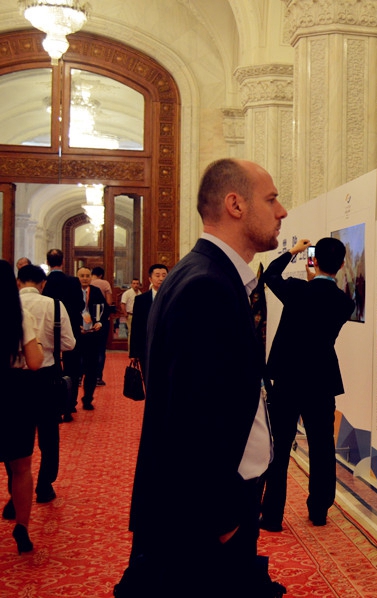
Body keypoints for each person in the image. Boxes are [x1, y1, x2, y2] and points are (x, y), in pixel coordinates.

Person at [117, 159, 287, 597]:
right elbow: (192, 414)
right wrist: (222, 516)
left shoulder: (206, 273)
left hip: (208, 504)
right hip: (205, 516)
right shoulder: (207, 285)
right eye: (271, 199)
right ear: (235, 204)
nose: (282, 211)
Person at [261, 236, 354, 530]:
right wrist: (317, 273)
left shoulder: (297, 290)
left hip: (288, 379)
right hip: (321, 381)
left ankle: (273, 515)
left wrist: (295, 251)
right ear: (341, 265)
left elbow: (269, 275)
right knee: (322, 448)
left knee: (278, 447)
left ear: (312, 261)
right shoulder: (344, 302)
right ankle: (319, 511)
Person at [16, 265, 76, 505]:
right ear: (43, 284)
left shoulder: (9, 306)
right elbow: (69, 343)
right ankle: (44, 485)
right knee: (49, 434)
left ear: (19, 282)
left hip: (15, 378)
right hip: (47, 375)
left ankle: (16, 490)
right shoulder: (54, 305)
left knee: (18, 434)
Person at [0, 260, 43, 554]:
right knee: (21, 465)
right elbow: (35, 361)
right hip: (14, 392)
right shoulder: (19, 315)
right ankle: (22, 528)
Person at [42, 248, 82, 422]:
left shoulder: (44, 282)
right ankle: (69, 404)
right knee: (72, 368)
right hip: (69, 330)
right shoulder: (72, 281)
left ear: (48, 262)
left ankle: (51, 404)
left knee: (50, 368)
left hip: (46, 332)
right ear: (63, 261)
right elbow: (80, 305)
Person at [74, 266, 109, 411]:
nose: (85, 278)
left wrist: (99, 323)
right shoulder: (73, 292)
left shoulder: (95, 291)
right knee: (75, 370)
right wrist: (76, 326)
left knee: (91, 370)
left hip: (93, 336)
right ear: (77, 277)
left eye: (87, 275)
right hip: (77, 336)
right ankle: (71, 403)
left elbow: (104, 309)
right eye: (82, 275)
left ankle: (88, 398)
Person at [128, 264, 168, 371]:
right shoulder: (141, 300)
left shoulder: (174, 297)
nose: (161, 278)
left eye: (164, 275)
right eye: (157, 275)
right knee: (149, 381)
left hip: (168, 348)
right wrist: (134, 352)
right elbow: (136, 326)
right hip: (146, 347)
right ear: (150, 278)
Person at [91, 267, 114, 386]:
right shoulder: (104, 283)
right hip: (102, 319)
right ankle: (98, 377)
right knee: (100, 349)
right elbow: (109, 302)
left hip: (88, 319)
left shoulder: (87, 282)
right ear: (101, 275)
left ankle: (82, 376)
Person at [120, 278, 142, 350]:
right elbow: (123, 304)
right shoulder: (127, 293)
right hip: (130, 315)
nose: (135, 285)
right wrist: (125, 314)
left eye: (137, 283)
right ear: (131, 284)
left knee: (137, 333)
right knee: (131, 333)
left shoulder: (140, 293)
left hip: (138, 315)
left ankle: (136, 349)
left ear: (139, 285)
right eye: (134, 283)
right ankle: (130, 350)